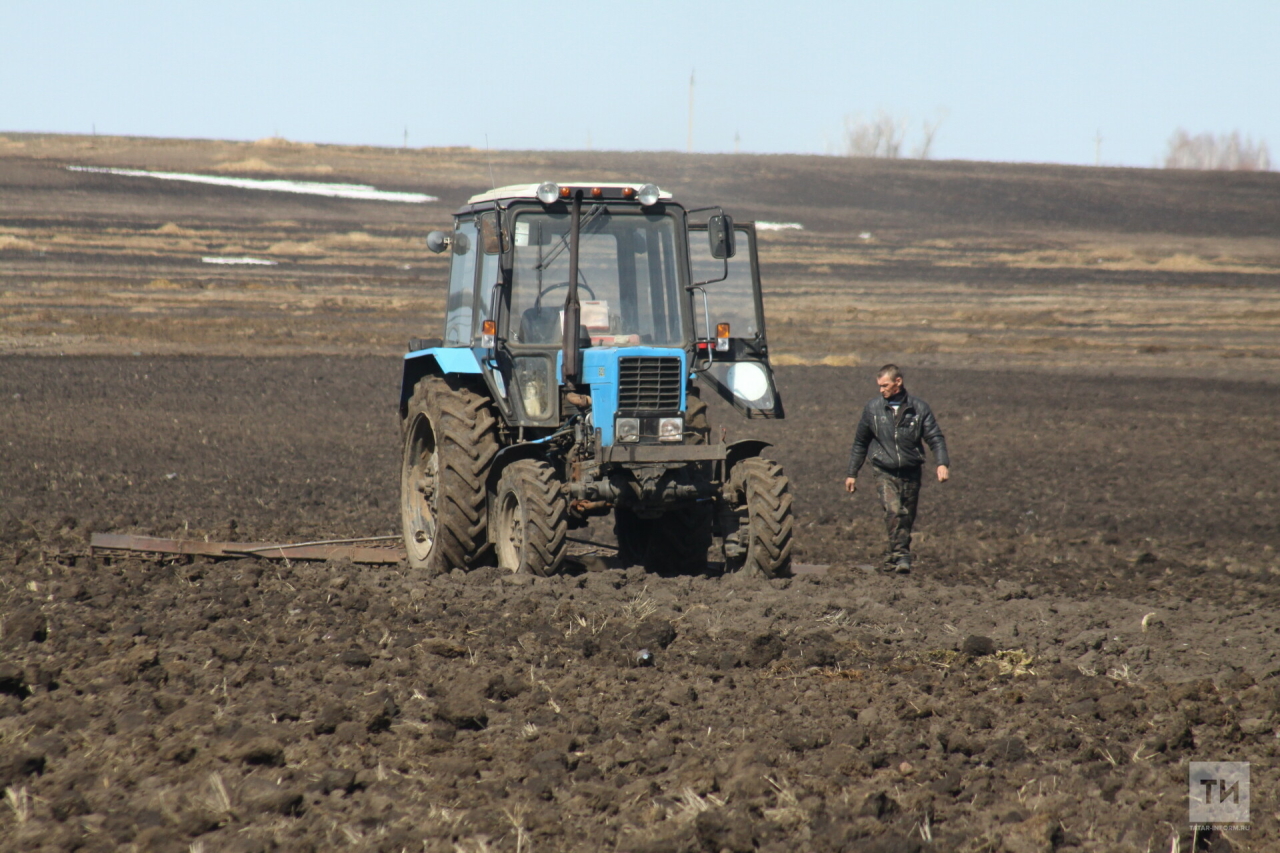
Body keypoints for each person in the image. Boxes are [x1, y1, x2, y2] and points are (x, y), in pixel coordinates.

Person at [844, 364, 950, 572]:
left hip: (911, 470)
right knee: (894, 512)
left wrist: (942, 463)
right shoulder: (873, 409)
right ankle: (902, 557)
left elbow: (935, 438)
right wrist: (851, 473)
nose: (881, 390)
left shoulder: (919, 409)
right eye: (879, 386)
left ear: (898, 383)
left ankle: (894, 556)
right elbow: (860, 443)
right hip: (884, 469)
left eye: (885, 385)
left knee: (907, 516)